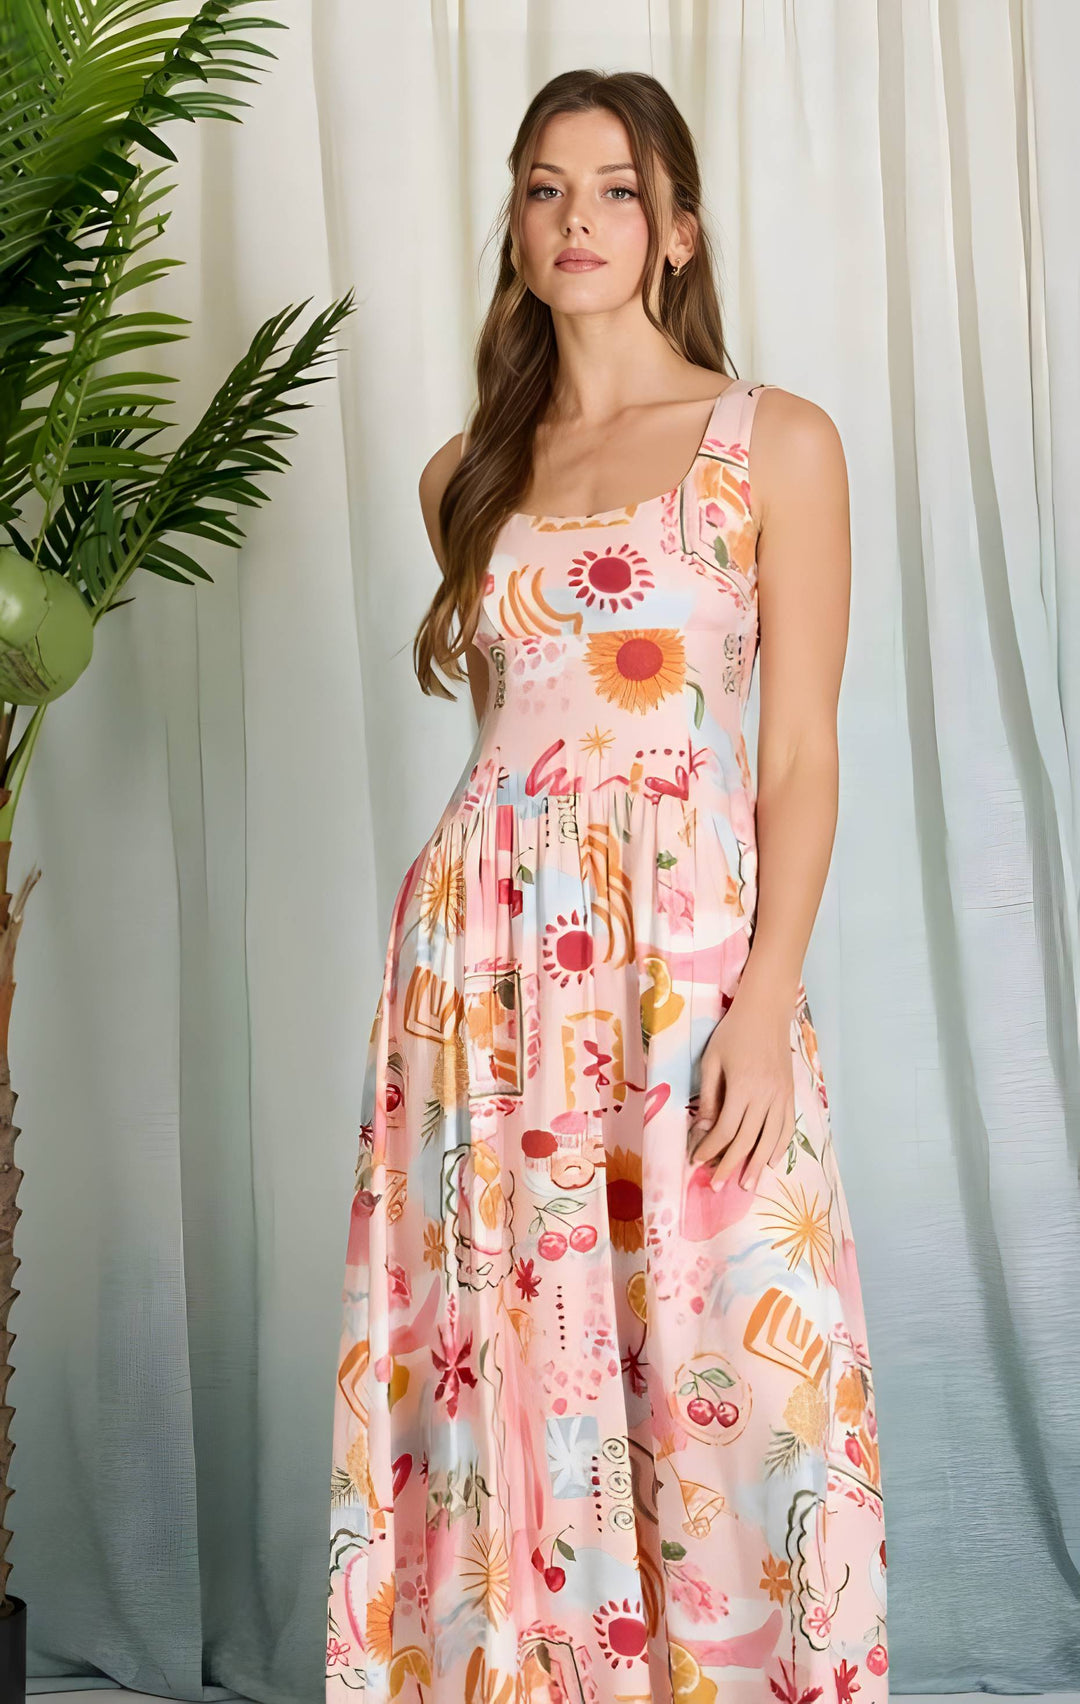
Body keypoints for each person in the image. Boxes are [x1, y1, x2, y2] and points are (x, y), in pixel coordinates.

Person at [326, 67, 888, 1704]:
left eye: (619, 189)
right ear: (514, 228)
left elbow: (797, 756)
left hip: (685, 957)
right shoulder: (463, 475)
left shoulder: (770, 441)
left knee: (733, 1345)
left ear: (679, 231)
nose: (580, 220)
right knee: (505, 1346)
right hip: (481, 965)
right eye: (547, 189)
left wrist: (767, 997)